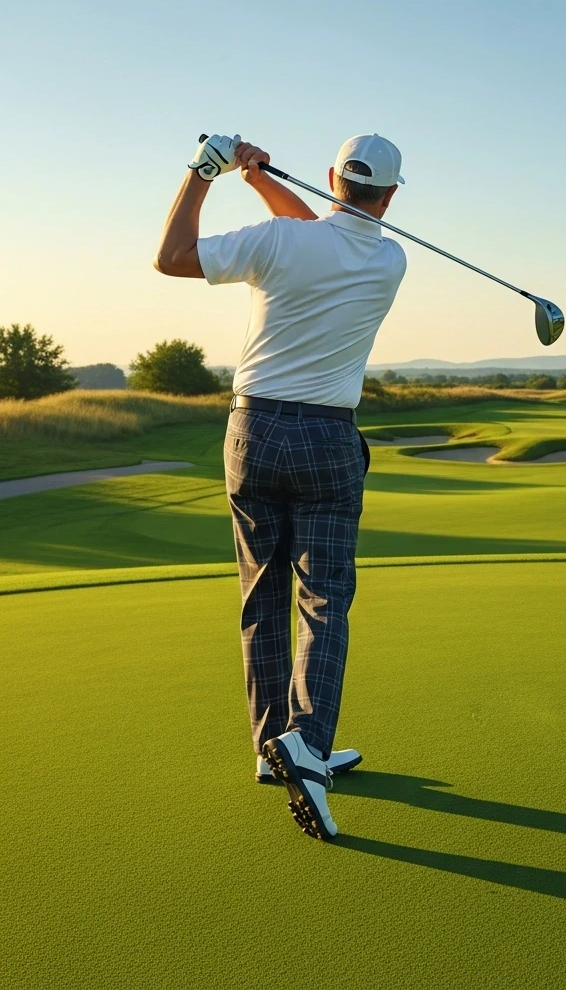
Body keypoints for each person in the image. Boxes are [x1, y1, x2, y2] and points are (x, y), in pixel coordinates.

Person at [154, 132, 407, 839]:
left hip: (255, 430)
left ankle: (277, 747)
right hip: (328, 438)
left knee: (261, 590)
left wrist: (207, 172)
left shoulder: (278, 242)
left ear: (332, 177)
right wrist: (259, 178)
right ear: (389, 196)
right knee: (324, 599)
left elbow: (171, 257)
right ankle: (305, 747)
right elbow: (319, 232)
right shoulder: (391, 258)